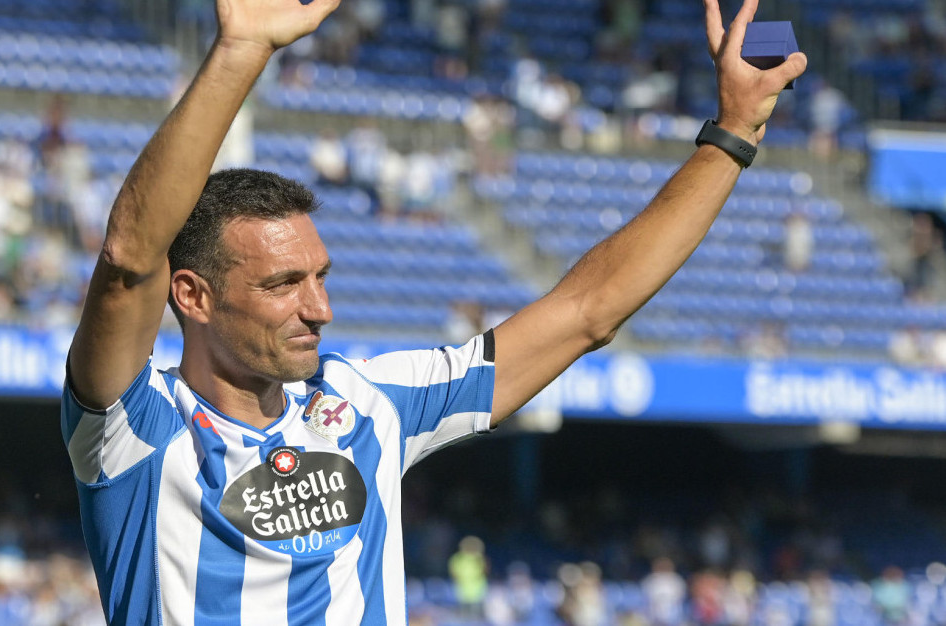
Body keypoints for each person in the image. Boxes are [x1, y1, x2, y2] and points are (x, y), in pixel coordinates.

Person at [60, 0, 806, 623]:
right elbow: (128, 259)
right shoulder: (134, 428)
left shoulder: (369, 403)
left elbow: (587, 311)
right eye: (283, 284)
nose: (318, 308)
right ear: (191, 297)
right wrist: (242, 51)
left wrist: (732, 134)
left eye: (322, 277)